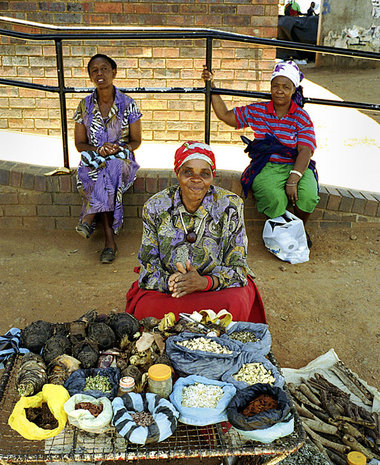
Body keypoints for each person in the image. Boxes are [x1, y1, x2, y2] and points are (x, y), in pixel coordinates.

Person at [125, 141, 266, 323]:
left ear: (212, 177)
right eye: (188, 172)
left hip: (215, 289)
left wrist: (205, 283)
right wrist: (172, 282)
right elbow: (148, 266)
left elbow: (238, 267)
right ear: (177, 173)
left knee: (235, 302)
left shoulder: (230, 206)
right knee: (147, 309)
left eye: (204, 174)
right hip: (172, 290)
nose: (196, 179)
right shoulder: (155, 207)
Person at [201, 60, 319, 242]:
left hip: (297, 165)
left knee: (309, 196)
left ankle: (299, 229)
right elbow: (226, 116)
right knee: (273, 197)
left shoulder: (301, 116)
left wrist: (293, 179)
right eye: (276, 86)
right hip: (268, 165)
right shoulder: (259, 111)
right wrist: (212, 85)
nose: (280, 90)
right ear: (270, 87)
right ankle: (284, 233)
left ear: (294, 89)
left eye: (286, 87)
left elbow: (305, 150)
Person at [73, 54, 142, 264]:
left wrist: (116, 148)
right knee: (103, 173)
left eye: (104, 69)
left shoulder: (128, 104)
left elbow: (136, 140)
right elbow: (79, 145)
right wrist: (99, 149)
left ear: (114, 72)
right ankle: (109, 241)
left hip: (122, 161)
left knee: (111, 167)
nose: (99, 73)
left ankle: (90, 219)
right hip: (93, 161)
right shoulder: (84, 106)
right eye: (94, 70)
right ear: (90, 77)